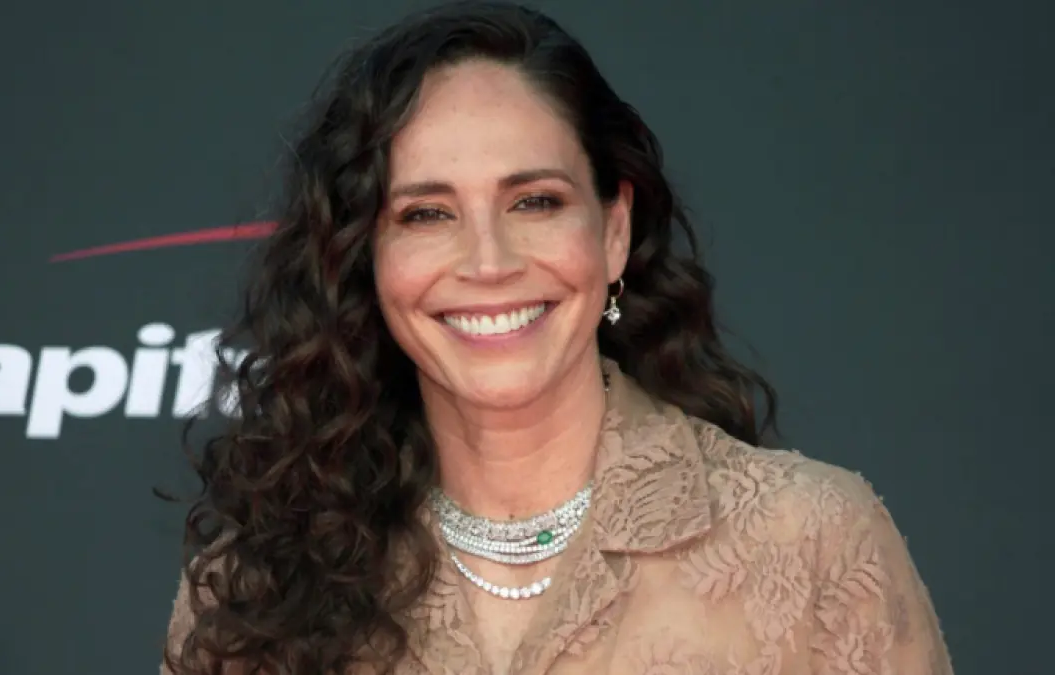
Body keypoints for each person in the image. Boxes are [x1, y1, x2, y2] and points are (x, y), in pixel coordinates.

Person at [160, 2, 953, 673]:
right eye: (426, 214)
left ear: (613, 231)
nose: (489, 262)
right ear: (366, 260)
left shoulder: (812, 542)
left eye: (534, 201)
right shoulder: (254, 589)